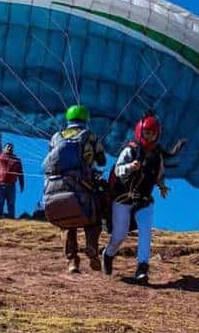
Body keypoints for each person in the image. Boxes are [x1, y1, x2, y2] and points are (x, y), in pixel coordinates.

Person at [101, 111, 170, 284]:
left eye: (153, 133)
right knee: (120, 235)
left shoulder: (157, 155)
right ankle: (108, 254)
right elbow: (118, 170)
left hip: (144, 200)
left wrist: (161, 185)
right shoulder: (130, 150)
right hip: (123, 199)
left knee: (145, 232)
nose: (150, 136)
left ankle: (142, 267)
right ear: (140, 132)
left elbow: (159, 174)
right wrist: (130, 167)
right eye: (147, 133)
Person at [44, 105, 106, 274]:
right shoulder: (89, 136)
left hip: (55, 186)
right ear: (86, 119)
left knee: (67, 223)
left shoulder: (56, 137)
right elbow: (102, 161)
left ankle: (72, 261)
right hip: (81, 185)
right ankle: (92, 248)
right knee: (94, 218)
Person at [0, 142, 24, 218]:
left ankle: (11, 217)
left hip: (11, 185)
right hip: (1, 184)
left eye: (11, 147)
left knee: (11, 203)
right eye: (8, 147)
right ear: (4, 148)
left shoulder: (16, 160)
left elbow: (20, 173)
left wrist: (22, 184)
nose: (10, 148)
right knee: (1, 201)